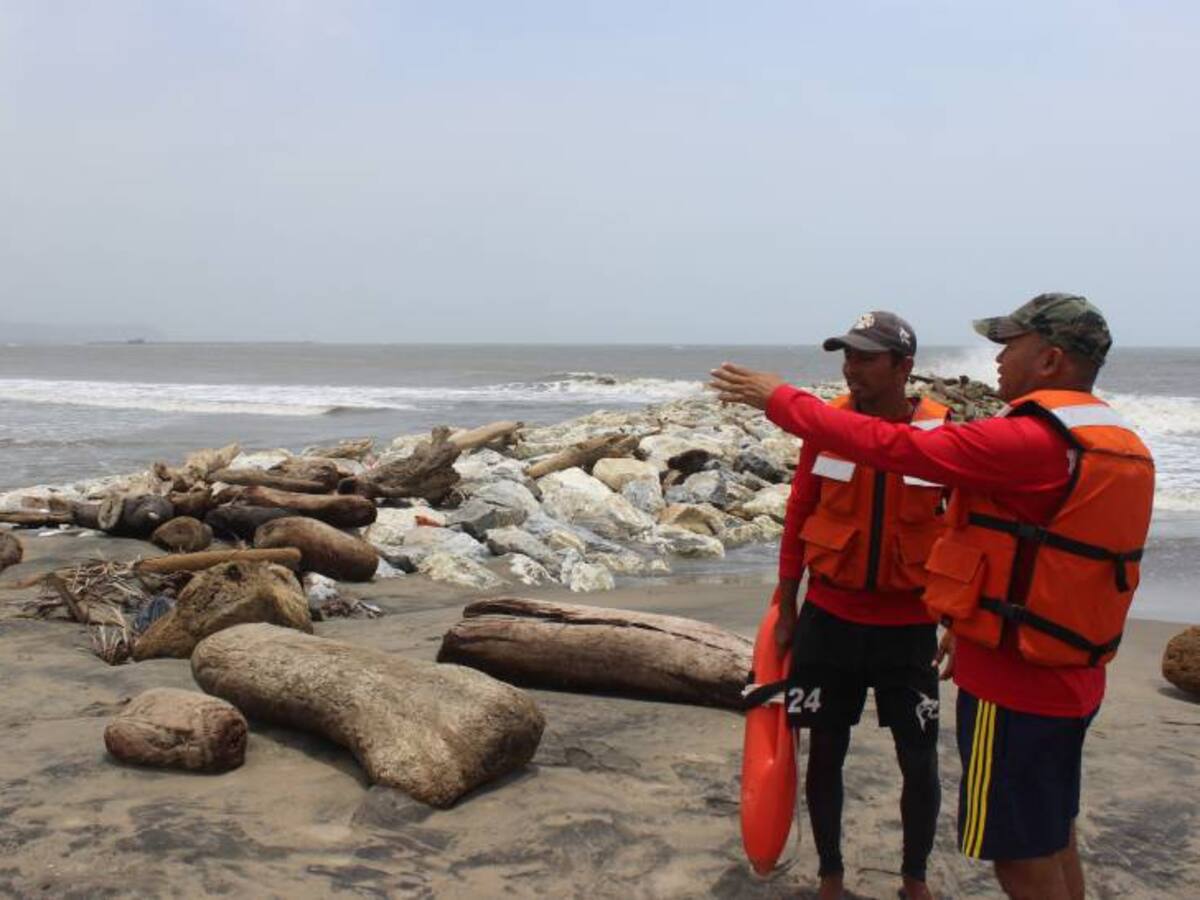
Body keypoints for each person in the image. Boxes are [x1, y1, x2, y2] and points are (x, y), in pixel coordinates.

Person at [711, 294, 1154, 900]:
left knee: (1019, 855)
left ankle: (913, 878)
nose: (998, 358)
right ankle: (831, 873)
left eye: (1010, 344)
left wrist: (782, 401)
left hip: (1012, 679)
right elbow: (1001, 550)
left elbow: (898, 450)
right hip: (1066, 670)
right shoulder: (1110, 437)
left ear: (1050, 359)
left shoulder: (1024, 441)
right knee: (1053, 836)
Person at [776, 311, 945, 900]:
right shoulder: (827, 428)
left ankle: (914, 880)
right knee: (824, 751)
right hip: (830, 621)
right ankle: (830, 876)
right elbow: (799, 512)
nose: (851, 368)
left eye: (866, 357)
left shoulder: (940, 435)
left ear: (904, 367)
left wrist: (963, 614)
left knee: (919, 759)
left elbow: (970, 530)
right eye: (846, 356)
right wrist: (786, 602)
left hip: (910, 627)